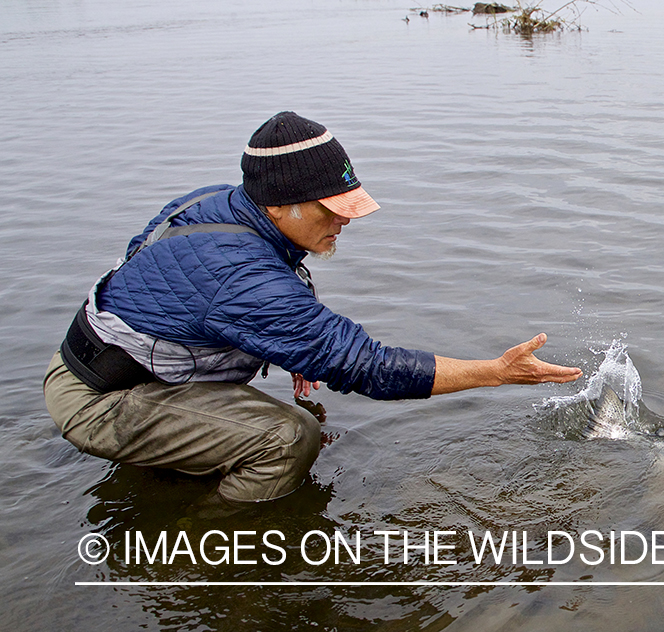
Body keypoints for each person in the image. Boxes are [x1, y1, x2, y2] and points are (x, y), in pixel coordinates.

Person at [43, 111, 582, 508]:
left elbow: (160, 271)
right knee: (289, 436)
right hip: (102, 398)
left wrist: (290, 341)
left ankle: (169, 474)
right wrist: (496, 372)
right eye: (331, 210)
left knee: (286, 414)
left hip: (98, 363)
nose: (345, 221)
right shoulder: (240, 274)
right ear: (279, 205)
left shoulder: (218, 203)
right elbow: (365, 367)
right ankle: (205, 548)